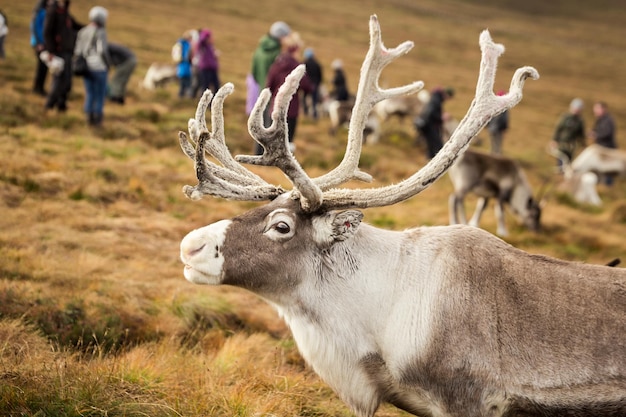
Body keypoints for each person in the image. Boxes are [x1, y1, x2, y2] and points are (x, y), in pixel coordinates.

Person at [265, 32, 313, 153]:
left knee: (272, 140)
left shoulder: (276, 64)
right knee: (287, 143)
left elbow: (268, 85)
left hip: (275, 108)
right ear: (296, 49)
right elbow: (307, 86)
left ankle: (268, 167)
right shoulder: (297, 67)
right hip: (291, 110)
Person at [249, 20, 291, 129]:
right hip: (274, 98)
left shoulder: (259, 50)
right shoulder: (278, 53)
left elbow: (254, 73)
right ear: (281, 36)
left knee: (261, 130)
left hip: (262, 94)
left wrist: (263, 85)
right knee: (271, 131)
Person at [43, 0, 83, 113]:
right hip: (59, 51)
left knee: (67, 81)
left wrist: (88, 27)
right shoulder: (53, 10)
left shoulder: (65, 11)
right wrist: (51, 50)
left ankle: (61, 105)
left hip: (68, 51)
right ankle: (49, 106)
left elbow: (74, 25)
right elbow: (47, 31)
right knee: (59, 80)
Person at [74, 6, 109, 126]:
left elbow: (78, 50)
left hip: (86, 68)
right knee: (99, 95)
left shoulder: (83, 31)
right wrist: (108, 64)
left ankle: (88, 116)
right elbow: (102, 51)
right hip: (99, 68)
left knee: (89, 93)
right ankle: (97, 119)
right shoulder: (100, 32)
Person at [414, 87, 454, 159]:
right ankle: (434, 162)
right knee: (437, 145)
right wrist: (441, 118)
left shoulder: (435, 98)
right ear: (447, 95)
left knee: (431, 145)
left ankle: (430, 160)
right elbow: (431, 114)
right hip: (429, 125)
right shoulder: (436, 100)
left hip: (425, 124)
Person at [551, 98, 586, 170]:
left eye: (578, 108)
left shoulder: (580, 121)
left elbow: (581, 135)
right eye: (575, 107)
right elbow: (558, 129)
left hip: (571, 147)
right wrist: (554, 140)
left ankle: (565, 176)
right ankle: (560, 174)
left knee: (568, 163)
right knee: (561, 161)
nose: (576, 110)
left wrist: (583, 145)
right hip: (562, 144)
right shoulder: (565, 117)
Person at [590, 101, 617, 185]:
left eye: (597, 109)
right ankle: (601, 185)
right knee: (600, 168)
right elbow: (598, 130)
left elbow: (607, 133)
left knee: (607, 169)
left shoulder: (608, 120)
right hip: (601, 148)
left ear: (603, 109)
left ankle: (608, 186)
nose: (595, 111)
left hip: (607, 149)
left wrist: (596, 135)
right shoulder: (600, 120)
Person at [30, 0, 52, 96]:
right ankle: (38, 88)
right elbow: (35, 27)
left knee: (44, 67)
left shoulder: (45, 11)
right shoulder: (40, 12)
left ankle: (40, 87)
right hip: (40, 43)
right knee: (41, 67)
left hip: (44, 42)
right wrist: (39, 42)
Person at [193, 28, 220, 96]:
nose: (212, 39)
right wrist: (206, 33)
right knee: (205, 87)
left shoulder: (210, 46)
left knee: (216, 86)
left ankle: (214, 102)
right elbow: (200, 41)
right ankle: (205, 102)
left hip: (213, 69)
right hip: (205, 69)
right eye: (210, 37)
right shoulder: (202, 45)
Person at [301, 47, 322, 120]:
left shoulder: (304, 64)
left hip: (306, 85)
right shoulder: (317, 64)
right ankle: (315, 114)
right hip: (315, 84)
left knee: (304, 98)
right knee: (314, 100)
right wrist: (318, 83)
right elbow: (320, 75)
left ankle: (305, 112)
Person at [486, 90, 509, 155]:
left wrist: (487, 125)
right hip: (497, 129)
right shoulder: (504, 109)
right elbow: (505, 119)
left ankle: (493, 154)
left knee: (493, 142)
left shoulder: (493, 107)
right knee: (497, 142)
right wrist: (504, 128)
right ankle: (496, 154)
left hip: (493, 128)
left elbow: (488, 117)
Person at [174, 30, 194, 98]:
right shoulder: (186, 45)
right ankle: (186, 98)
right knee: (186, 84)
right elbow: (188, 56)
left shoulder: (181, 44)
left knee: (183, 84)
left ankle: (181, 98)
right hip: (185, 67)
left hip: (182, 67)